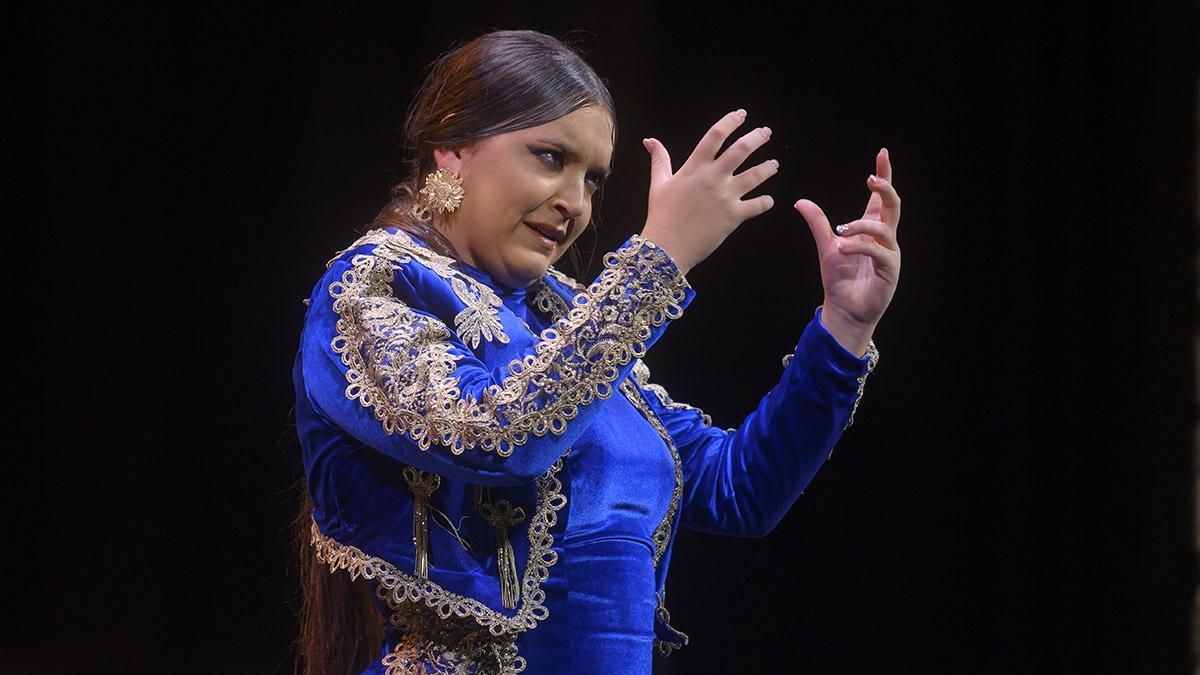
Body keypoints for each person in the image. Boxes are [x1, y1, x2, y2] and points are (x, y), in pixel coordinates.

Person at [292, 29, 901, 675]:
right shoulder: (375, 283)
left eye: (593, 178)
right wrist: (657, 263)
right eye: (551, 157)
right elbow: (500, 435)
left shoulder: (565, 313)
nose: (575, 203)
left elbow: (736, 488)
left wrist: (841, 332)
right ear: (452, 146)